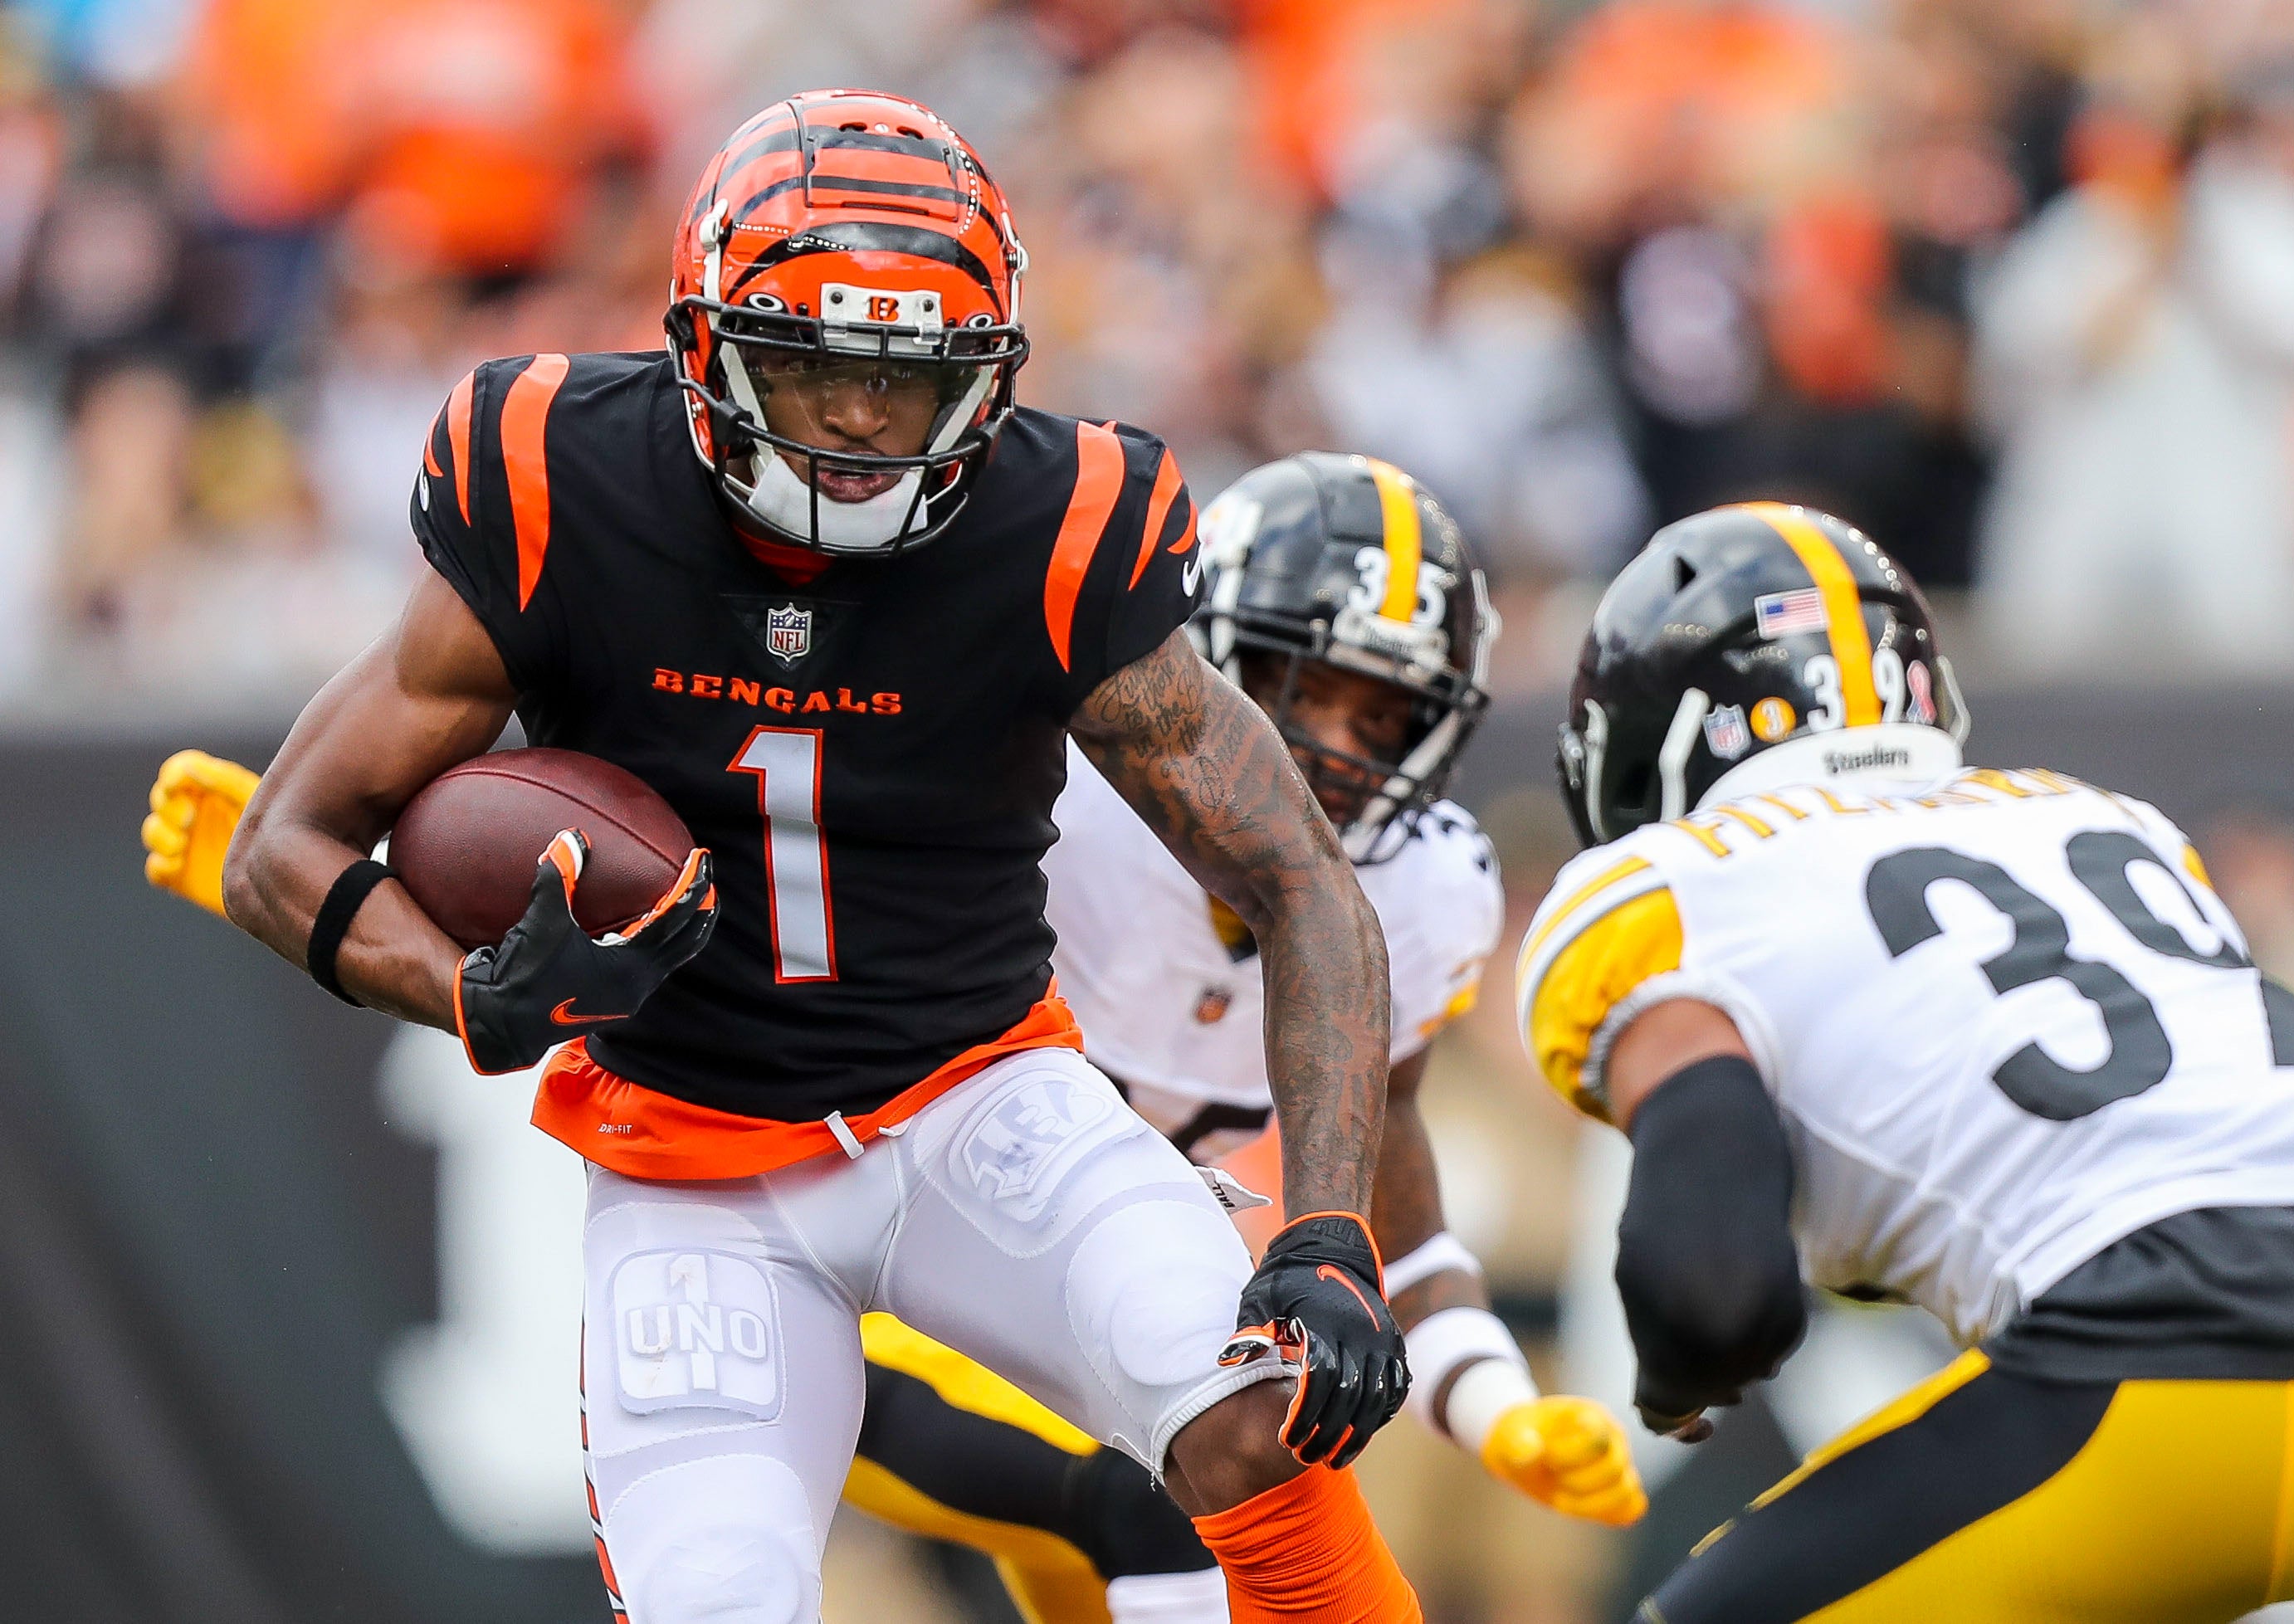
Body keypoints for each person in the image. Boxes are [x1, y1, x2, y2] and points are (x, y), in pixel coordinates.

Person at [196, 90, 1423, 1624]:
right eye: (810, 363)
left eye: (902, 383)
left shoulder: (1061, 520)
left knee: (1272, 1417)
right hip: (688, 1159)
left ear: (982, 383)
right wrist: (469, 994)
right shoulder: (556, 475)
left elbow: (1305, 881)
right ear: (705, 343)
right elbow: (279, 846)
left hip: (979, 1102)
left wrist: (1327, 1237)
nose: (852, 419)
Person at [143, 452, 1647, 1624]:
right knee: (1138, 1495)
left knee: (1234, 1439)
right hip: (884, 1262)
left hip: (1081, 1261)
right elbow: (733, 916)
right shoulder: (1070, 807)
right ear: (1198, 665)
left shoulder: (1413, 884)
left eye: (1385, 719)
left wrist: (1489, 1398)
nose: (1332, 750)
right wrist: (344, 897)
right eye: (1300, 689)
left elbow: (1391, 1191)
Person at [1518, 500, 2294, 1622]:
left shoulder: (1679, 884)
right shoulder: (2111, 820)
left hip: (2150, 1380)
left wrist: (1677, 1378)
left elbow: (1716, 1295)